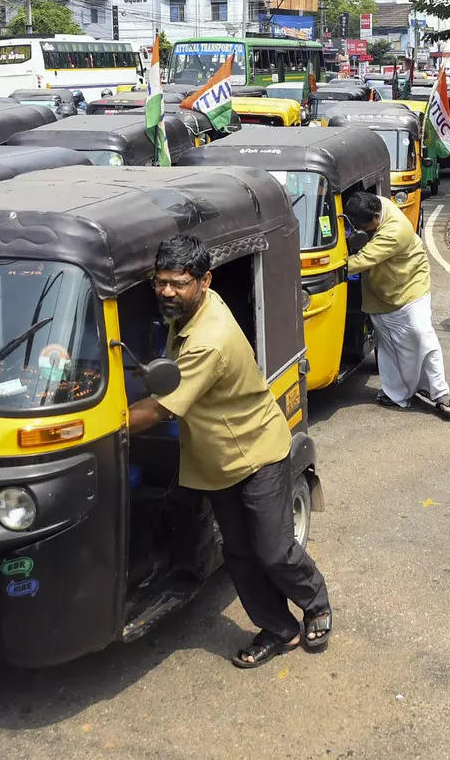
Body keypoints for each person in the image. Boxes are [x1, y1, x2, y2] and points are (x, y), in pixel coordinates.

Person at [126, 234, 332, 668]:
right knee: (238, 551)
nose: (166, 291)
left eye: (178, 283)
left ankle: (315, 601)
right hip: (214, 457)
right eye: (160, 281)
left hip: (256, 452)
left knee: (273, 550)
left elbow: (162, 407)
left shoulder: (209, 339)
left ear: (205, 280)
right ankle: (279, 629)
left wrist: (94, 423)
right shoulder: (186, 308)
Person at [342, 191, 450, 416]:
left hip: (410, 285)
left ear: (376, 217)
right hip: (381, 291)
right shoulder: (379, 204)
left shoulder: (394, 232)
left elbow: (361, 261)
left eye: (364, 227)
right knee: (389, 346)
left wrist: (329, 263)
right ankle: (396, 393)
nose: (362, 231)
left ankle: (440, 391)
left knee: (422, 335)